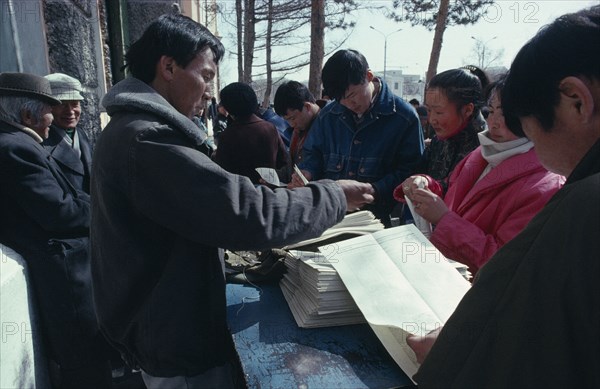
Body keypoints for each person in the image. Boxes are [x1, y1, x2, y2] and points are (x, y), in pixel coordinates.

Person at [91, 13, 374, 388]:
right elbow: (246, 214)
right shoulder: (147, 142)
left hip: (163, 321)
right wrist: (333, 195)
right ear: (169, 67)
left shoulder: (137, 133)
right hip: (170, 335)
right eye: (206, 76)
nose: (211, 91)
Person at [407, 6, 600, 387]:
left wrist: (455, 351)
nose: (497, 122)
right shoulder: (476, 157)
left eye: (522, 123)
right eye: (492, 111)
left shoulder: (579, 201)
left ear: (576, 102)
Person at [0, 72, 112, 387]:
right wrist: (109, 205)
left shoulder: (17, 142)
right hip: (65, 277)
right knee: (84, 361)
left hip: (69, 270)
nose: (54, 119)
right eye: (51, 108)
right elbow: (60, 212)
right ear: (26, 114)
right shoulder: (14, 148)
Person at [395, 77, 564, 274]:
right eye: (491, 111)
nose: (494, 122)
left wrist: (444, 219)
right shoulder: (482, 154)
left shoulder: (545, 186)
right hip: (447, 274)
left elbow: (505, 263)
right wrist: (425, 185)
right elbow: (452, 193)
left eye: (509, 115)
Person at [292, 49, 424, 227]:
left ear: (369, 76)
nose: (349, 104)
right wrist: (307, 171)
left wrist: (375, 190)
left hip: (375, 220)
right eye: (341, 100)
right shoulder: (328, 115)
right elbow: (312, 153)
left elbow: (411, 170)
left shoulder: (404, 118)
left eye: (352, 96)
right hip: (328, 216)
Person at [419, 65, 490, 194]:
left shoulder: (487, 148)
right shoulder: (439, 139)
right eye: (429, 110)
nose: (432, 119)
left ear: (467, 110)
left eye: (439, 112)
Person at [214, 82, 288, 184]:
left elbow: (221, 173)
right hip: (269, 191)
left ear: (229, 107)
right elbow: (283, 161)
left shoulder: (227, 136)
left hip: (240, 194)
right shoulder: (270, 128)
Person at [42, 73, 92, 193]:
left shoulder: (80, 134)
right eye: (62, 105)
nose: (70, 112)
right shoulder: (42, 141)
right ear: (48, 107)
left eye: (75, 104)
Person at [273, 80, 325, 183]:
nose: (292, 124)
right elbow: (292, 168)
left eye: (293, 118)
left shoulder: (327, 125)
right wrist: (275, 177)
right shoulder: (299, 130)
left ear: (307, 107)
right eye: (287, 120)